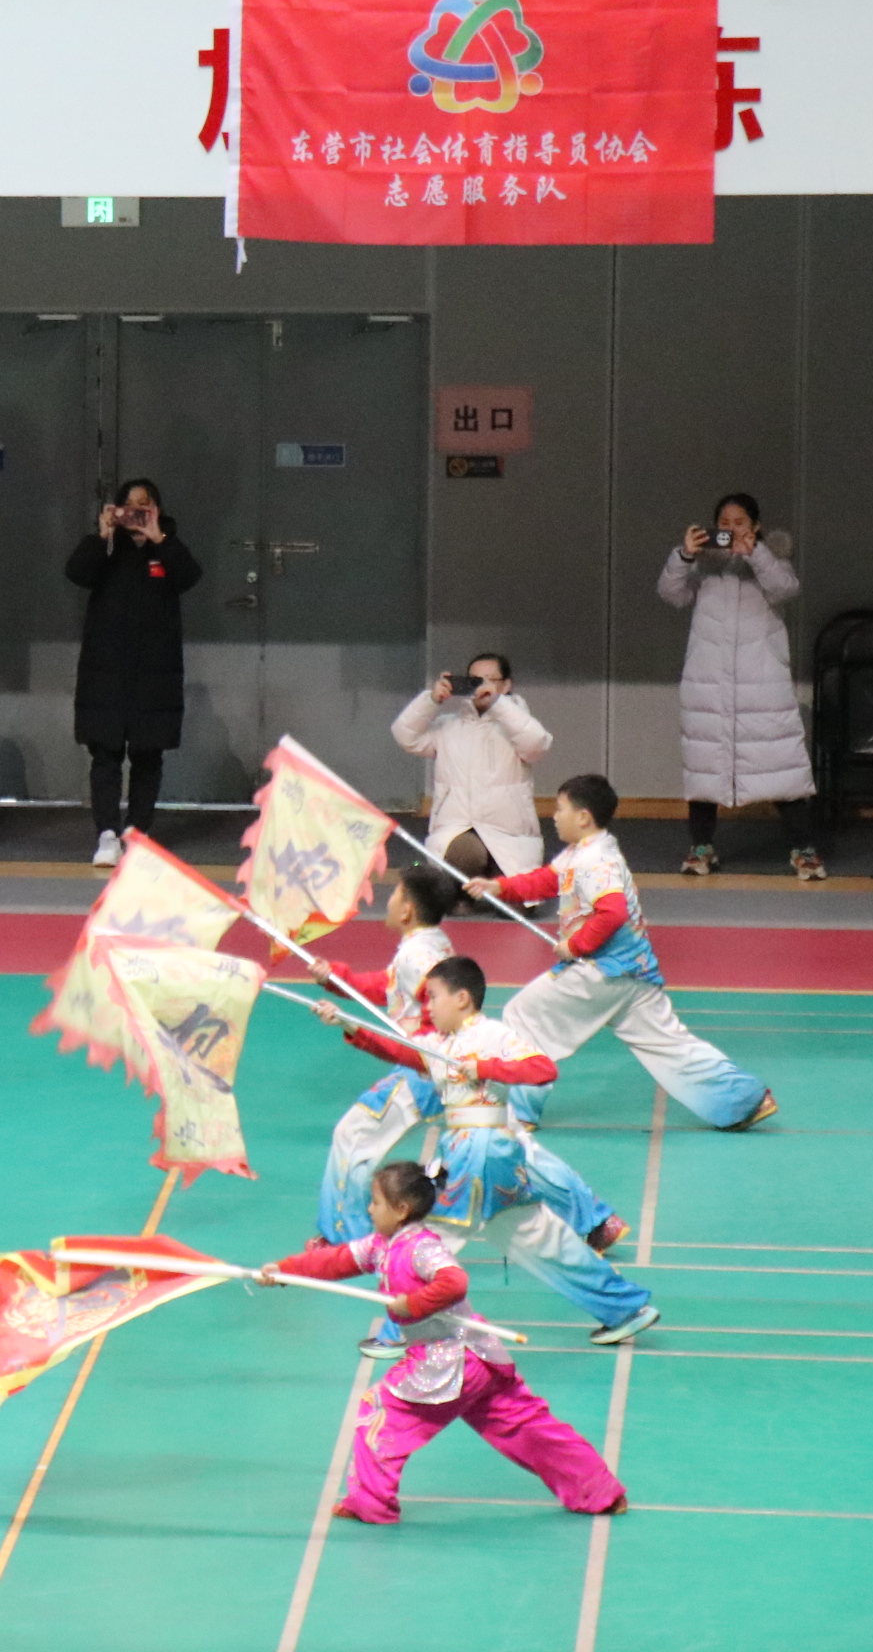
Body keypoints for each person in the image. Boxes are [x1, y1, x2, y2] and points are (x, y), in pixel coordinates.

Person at [261, 1160, 627, 1527]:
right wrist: (284, 1270)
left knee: (378, 1412)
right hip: (481, 1358)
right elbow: (337, 1260)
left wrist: (413, 1305)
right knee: (525, 1425)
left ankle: (371, 1503)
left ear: (401, 1209)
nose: (369, 1210)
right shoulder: (381, 1246)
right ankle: (599, 1491)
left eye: (375, 1202)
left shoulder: (421, 1248)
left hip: (445, 1362)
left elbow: (454, 1281)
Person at [317, 956, 657, 1344]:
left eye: (433, 997)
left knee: (424, 1242)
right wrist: (347, 1023)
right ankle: (625, 1308)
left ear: (462, 998)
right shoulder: (437, 1044)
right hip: (486, 1158)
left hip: (477, 1153)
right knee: (542, 1238)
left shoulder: (494, 1035)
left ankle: (399, 1333)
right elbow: (397, 1050)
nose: (427, 1007)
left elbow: (542, 1069)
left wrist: (485, 1067)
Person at [473, 773, 775, 1132]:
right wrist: (499, 887)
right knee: (669, 1044)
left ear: (583, 817)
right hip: (636, 972)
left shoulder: (595, 861)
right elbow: (546, 881)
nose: (554, 816)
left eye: (560, 809)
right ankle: (745, 1101)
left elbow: (612, 912)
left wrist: (574, 945)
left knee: (523, 1014)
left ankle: (521, 1112)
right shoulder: (583, 852)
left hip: (602, 971)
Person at [660, 493, 824, 881]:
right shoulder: (703, 565)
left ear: (756, 526)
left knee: (783, 768)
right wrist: (684, 555)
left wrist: (756, 554)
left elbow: (785, 589)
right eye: (724, 522)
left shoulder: (772, 561)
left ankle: (804, 850)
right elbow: (671, 593)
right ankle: (701, 848)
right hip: (709, 686)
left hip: (762, 688)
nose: (731, 529)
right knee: (705, 771)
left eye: (739, 522)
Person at [309, 865, 460, 1246]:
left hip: (422, 1071)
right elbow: (390, 987)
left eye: (395, 893)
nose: (388, 900)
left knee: (352, 1136)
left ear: (407, 909)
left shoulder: (418, 955)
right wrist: (337, 978)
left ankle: (347, 1242)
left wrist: (357, 1029)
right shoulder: (430, 943)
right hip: (426, 1067)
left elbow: (437, 1023)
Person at [66, 478, 202, 866]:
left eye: (146, 504)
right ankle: (107, 833)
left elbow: (190, 577)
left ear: (157, 509)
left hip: (155, 672)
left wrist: (159, 538)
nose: (138, 511)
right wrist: (102, 535)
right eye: (130, 504)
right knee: (105, 755)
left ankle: (137, 832)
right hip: (106, 670)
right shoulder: (109, 548)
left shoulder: (167, 546)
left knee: (148, 756)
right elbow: (76, 572)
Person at [390, 654, 552, 877]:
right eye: (474, 679)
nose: (481, 686)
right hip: (456, 827)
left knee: (512, 892)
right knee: (463, 854)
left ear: (506, 685)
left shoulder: (516, 725)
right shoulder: (447, 726)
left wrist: (498, 704)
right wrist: (431, 700)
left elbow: (537, 745)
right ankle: (460, 890)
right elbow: (405, 735)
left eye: (489, 679)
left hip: (509, 833)